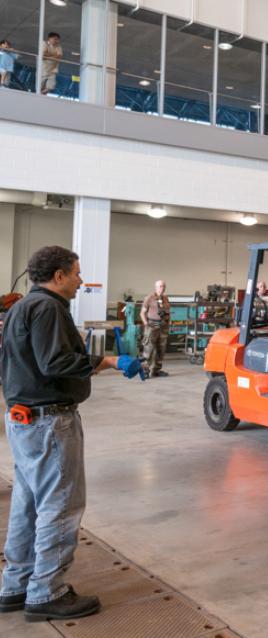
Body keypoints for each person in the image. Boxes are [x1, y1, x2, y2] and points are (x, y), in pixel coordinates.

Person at [0, 246, 143, 622]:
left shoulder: (21, 307)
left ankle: (16, 584)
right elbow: (55, 362)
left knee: (28, 504)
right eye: (77, 274)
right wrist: (108, 361)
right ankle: (47, 591)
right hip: (50, 421)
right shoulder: (48, 308)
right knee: (61, 505)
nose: (81, 281)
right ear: (59, 276)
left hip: (23, 419)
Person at [140, 280, 170, 377]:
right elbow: (142, 313)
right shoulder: (149, 298)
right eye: (160, 286)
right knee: (148, 348)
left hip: (163, 326)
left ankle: (156, 370)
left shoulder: (166, 298)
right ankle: (145, 370)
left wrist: (168, 322)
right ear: (156, 287)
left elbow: (167, 312)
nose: (162, 288)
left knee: (161, 348)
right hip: (152, 325)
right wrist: (146, 323)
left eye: (164, 286)